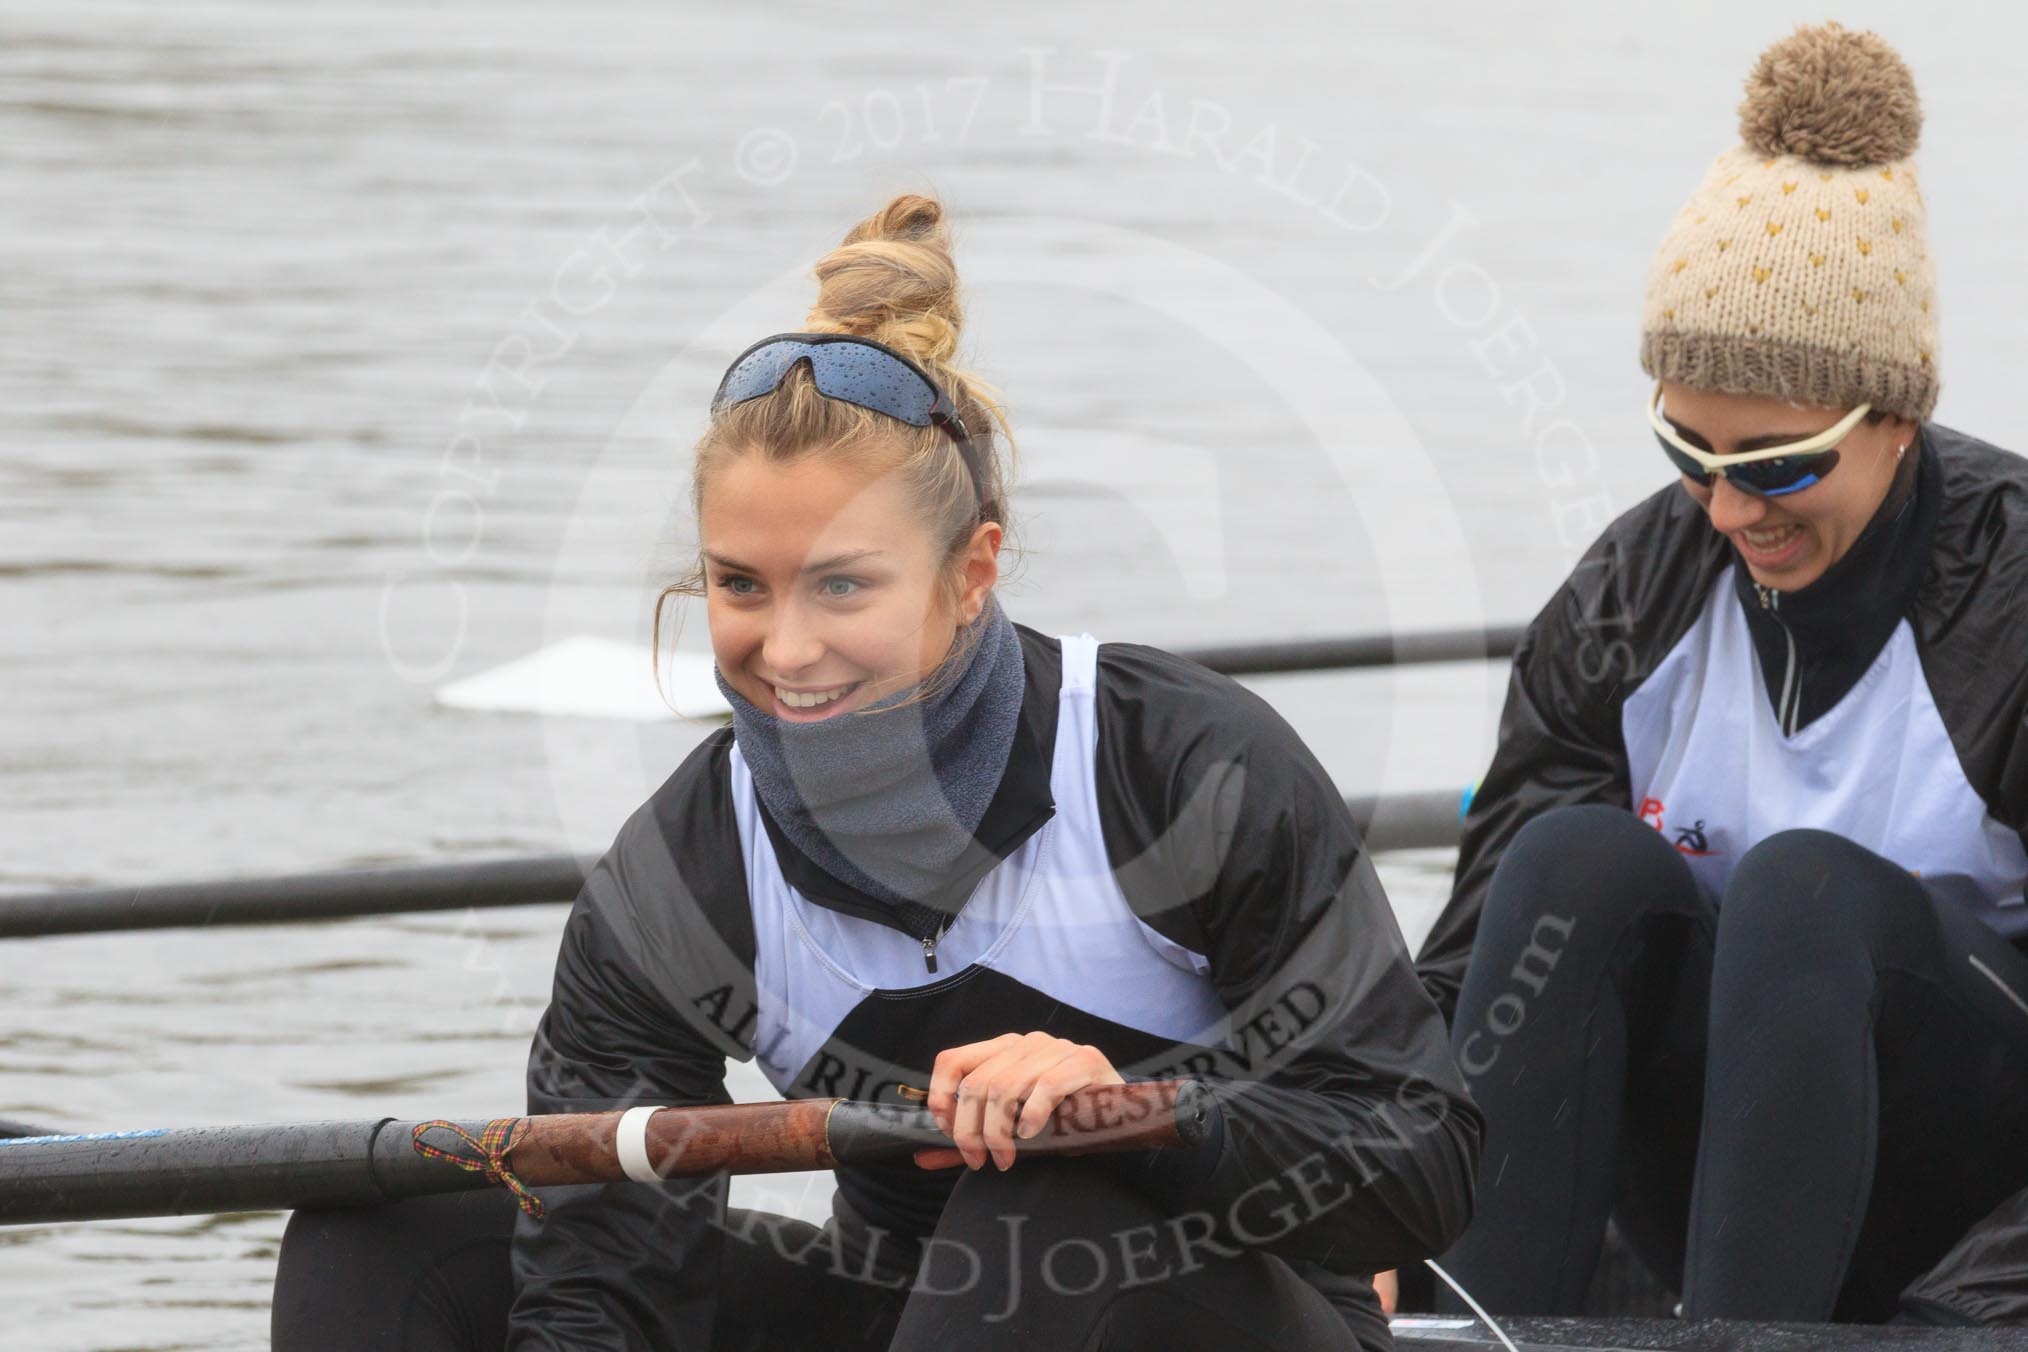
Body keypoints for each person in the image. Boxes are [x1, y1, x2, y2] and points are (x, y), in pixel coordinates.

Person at [272, 193, 1481, 1351]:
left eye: (843, 584)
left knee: (1035, 1199)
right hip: (908, 1314)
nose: (784, 649)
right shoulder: (681, 874)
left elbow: (1424, 1161)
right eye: (741, 584)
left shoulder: (1184, 764)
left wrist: (1130, 1110)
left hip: (1229, 1307)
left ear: (971, 572)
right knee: (388, 1225)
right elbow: (604, 1281)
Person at [1412, 22, 2028, 1325]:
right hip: (1723, 1181)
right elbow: (1467, 978)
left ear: (1899, 419)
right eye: (1688, 451)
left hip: (1975, 1189)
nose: (1729, 509)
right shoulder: (1632, 594)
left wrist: (1962, 1322)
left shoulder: (2014, 594)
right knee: (1571, 865)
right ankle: (1458, 1316)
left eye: (1781, 464)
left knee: (1801, 889)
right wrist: (1348, 1218)